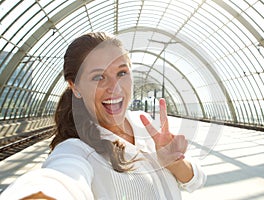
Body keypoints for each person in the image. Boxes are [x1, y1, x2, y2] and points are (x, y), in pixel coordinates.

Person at [0, 32, 206, 200]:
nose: (114, 88)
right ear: (76, 87)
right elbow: (60, 179)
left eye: (122, 73)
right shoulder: (77, 150)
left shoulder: (147, 124)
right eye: (98, 77)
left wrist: (174, 162)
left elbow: (196, 180)